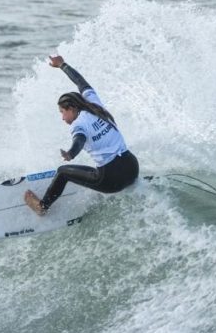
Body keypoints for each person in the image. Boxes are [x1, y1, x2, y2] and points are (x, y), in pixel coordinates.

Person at [24, 55, 139, 216]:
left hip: (112, 181)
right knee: (96, 168)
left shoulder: (78, 124)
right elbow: (80, 82)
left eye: (63, 112)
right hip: (132, 168)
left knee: (63, 172)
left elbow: (79, 140)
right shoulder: (94, 104)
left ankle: (43, 206)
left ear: (71, 108)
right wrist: (62, 65)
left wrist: (71, 153)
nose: (63, 118)